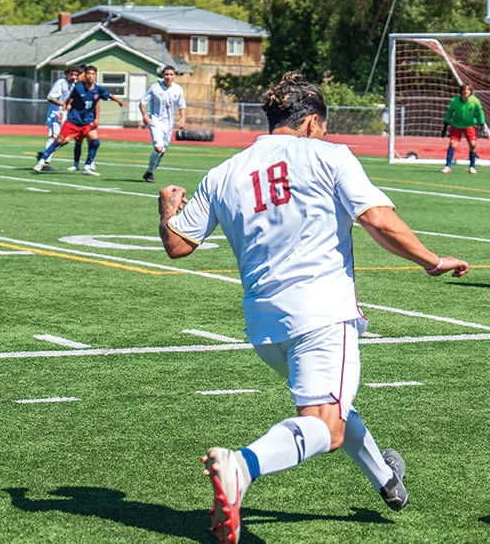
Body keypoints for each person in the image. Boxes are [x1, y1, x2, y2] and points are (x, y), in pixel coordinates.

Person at [157, 72, 469, 543]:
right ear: (310, 124)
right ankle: (241, 466)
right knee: (327, 427)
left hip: (265, 326)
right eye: (322, 127)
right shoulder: (330, 155)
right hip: (321, 314)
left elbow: (179, 245)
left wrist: (166, 208)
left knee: (333, 407)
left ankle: (386, 478)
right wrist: (432, 260)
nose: (324, 135)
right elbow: (377, 220)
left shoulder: (225, 172)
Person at [33, 65, 125, 176]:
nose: (90, 76)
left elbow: (109, 95)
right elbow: (68, 101)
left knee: (95, 142)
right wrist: (62, 113)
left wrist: (119, 101)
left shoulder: (98, 90)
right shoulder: (78, 88)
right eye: (88, 74)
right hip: (73, 120)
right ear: (85, 75)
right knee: (59, 140)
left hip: (86, 122)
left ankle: (87, 166)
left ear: (95, 76)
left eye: (92, 74)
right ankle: (42, 161)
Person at [138, 65, 186, 183]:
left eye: (171, 74)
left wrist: (182, 118)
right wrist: (144, 115)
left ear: (174, 76)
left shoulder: (178, 89)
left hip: (168, 125)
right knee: (158, 148)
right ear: (162, 76)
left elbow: (182, 106)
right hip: (155, 122)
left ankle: (149, 172)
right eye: (166, 74)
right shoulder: (155, 88)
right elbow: (143, 103)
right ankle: (150, 172)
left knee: (162, 152)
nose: (168, 77)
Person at [35, 65, 79, 173]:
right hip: (56, 113)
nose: (74, 77)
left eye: (76, 75)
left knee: (66, 140)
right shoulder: (61, 83)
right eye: (72, 74)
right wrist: (63, 104)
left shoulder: (74, 85)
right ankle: (46, 163)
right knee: (54, 138)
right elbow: (50, 97)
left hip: (65, 114)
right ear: (66, 74)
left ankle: (44, 154)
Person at [441, 83, 485, 175]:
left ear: (471, 91)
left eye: (468, 89)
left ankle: (472, 167)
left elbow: (480, 112)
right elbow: (449, 113)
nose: (466, 91)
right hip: (457, 125)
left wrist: (482, 125)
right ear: (461, 91)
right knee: (453, 143)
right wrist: (445, 126)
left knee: (473, 145)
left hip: (470, 125)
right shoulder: (454, 101)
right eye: (464, 89)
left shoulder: (475, 101)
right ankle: (447, 166)